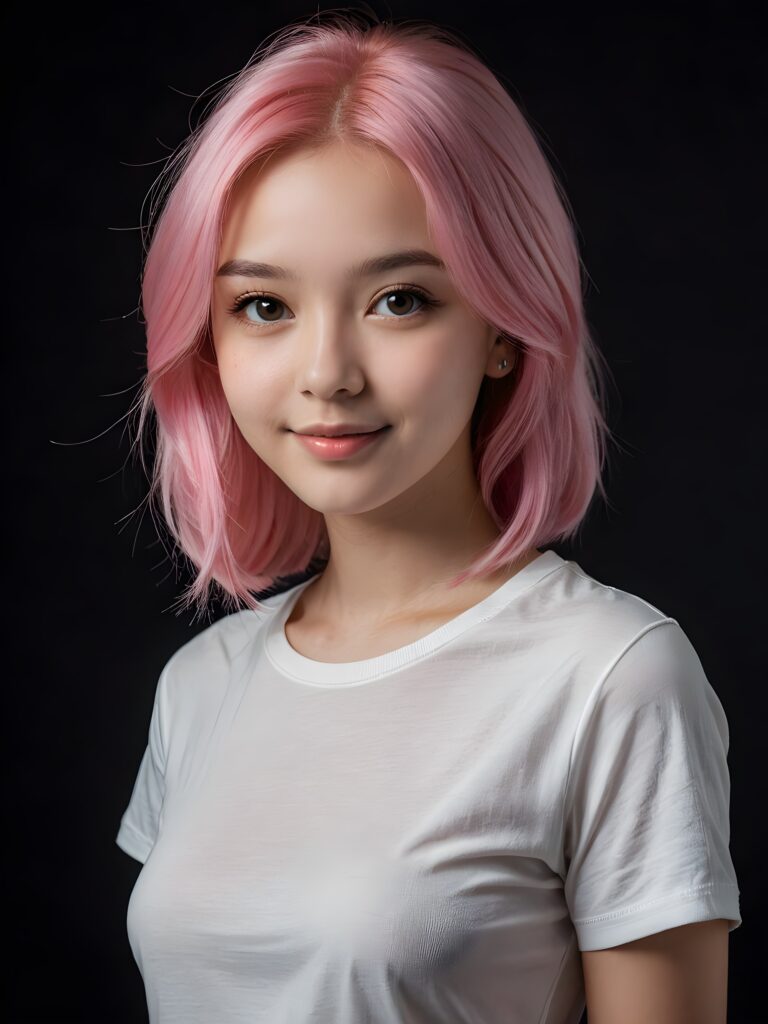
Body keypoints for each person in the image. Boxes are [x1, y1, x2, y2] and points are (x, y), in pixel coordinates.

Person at [115, 12, 741, 1023]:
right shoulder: (201, 686)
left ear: (505, 325)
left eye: (399, 299)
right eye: (264, 306)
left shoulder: (610, 677)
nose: (327, 375)